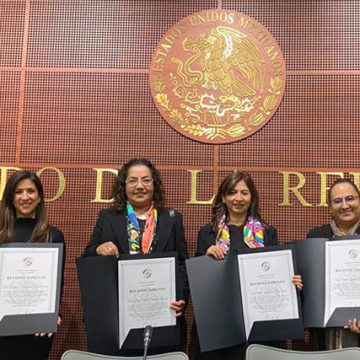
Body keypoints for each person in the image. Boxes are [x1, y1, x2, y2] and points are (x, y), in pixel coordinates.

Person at [83, 158, 189, 354]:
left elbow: (182, 264)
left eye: (146, 180)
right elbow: (88, 257)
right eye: (132, 181)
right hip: (116, 320)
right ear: (123, 185)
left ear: (154, 185)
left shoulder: (171, 219)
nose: (139, 186)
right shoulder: (107, 218)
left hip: (161, 317)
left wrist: (181, 298)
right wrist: (98, 250)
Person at [195, 171, 302, 360]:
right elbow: (197, 286)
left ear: (252, 197)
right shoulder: (208, 234)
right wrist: (206, 260)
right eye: (232, 192)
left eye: (244, 193)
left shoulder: (267, 234)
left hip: (258, 326)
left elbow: (274, 275)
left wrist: (291, 283)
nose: (238, 198)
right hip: (219, 327)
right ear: (224, 197)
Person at [0, 170, 65, 360]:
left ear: (39, 198)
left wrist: (53, 313)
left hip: (37, 328)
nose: (25, 197)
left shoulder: (53, 236)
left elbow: (57, 283)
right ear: (11, 198)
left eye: (31, 191)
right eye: (18, 192)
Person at [307, 178, 360, 349]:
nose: (344, 206)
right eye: (337, 201)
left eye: (350, 198)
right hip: (325, 334)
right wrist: (299, 284)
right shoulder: (316, 237)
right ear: (330, 208)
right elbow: (310, 286)